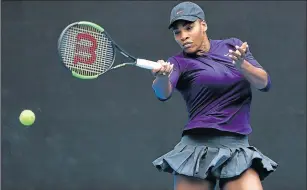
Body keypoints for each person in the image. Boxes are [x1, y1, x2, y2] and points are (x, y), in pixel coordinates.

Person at [151, 2, 278, 190]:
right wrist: (161, 78)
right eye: (177, 32)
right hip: (195, 150)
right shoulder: (178, 62)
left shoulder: (233, 47)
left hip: (236, 147)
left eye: (188, 27)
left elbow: (264, 83)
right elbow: (163, 93)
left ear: (203, 25)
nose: (183, 36)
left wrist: (243, 66)